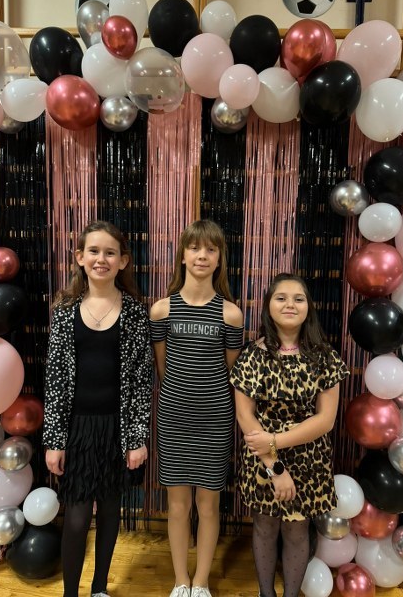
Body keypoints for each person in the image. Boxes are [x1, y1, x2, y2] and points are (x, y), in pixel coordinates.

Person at [43, 220, 153, 597]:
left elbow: (141, 382)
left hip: (117, 430)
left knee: (109, 513)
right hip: (76, 430)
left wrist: (136, 439)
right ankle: (70, 593)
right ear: (80, 257)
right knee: (76, 519)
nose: (101, 259)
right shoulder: (64, 310)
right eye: (93, 251)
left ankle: (100, 588)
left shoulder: (136, 312)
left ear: (123, 261)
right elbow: (55, 379)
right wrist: (54, 441)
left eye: (110, 252)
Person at [230, 273, 349, 597]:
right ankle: (265, 594)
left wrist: (275, 442)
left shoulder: (324, 356)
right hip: (263, 460)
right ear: (268, 306)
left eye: (298, 298)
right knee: (264, 526)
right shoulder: (252, 355)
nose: (290, 305)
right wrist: (274, 465)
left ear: (309, 307)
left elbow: (325, 420)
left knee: (297, 530)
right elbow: (245, 415)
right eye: (281, 298)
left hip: (308, 458)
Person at [150, 219, 244, 597]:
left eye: (210, 249)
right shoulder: (161, 310)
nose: (202, 255)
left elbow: (230, 372)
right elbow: (163, 367)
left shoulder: (230, 314)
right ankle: (180, 581)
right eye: (194, 248)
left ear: (219, 259)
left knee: (208, 505)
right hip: (173, 417)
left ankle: (201, 582)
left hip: (215, 420)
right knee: (177, 506)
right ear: (183, 256)